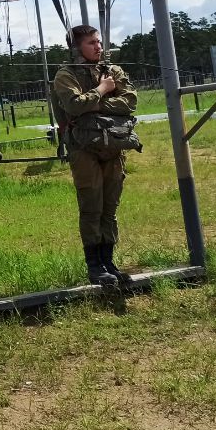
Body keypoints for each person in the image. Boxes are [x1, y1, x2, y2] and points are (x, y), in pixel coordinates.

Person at [52, 25, 139, 285]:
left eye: (99, 42)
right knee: (92, 206)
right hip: (83, 149)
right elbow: (73, 106)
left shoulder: (113, 71)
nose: (98, 47)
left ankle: (108, 261)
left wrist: (94, 104)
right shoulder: (65, 75)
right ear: (77, 48)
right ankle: (94, 265)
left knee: (110, 208)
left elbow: (130, 101)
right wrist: (101, 90)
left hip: (113, 147)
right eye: (91, 43)